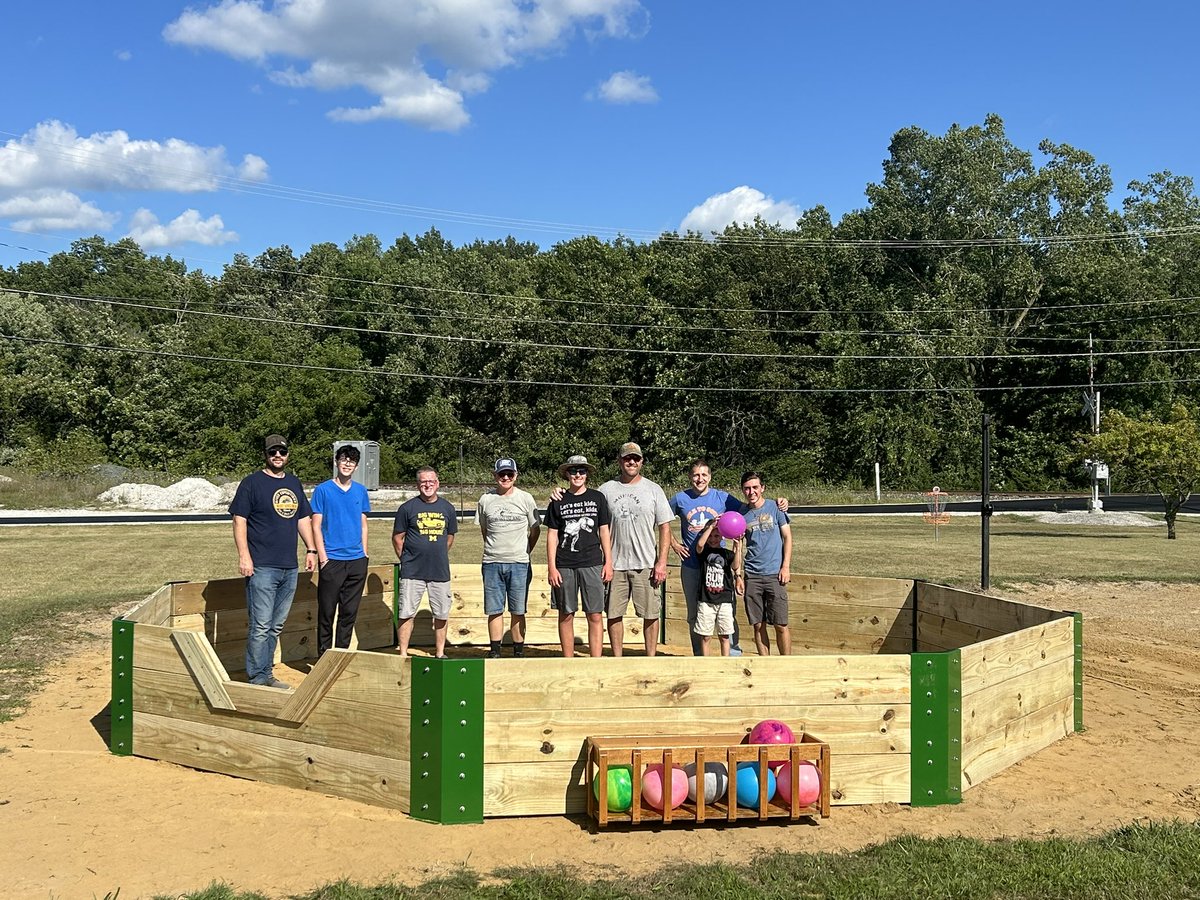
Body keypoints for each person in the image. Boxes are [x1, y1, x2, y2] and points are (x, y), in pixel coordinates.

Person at [669, 459, 787, 656]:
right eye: (696, 475)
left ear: (710, 477)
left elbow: (751, 507)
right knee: (694, 615)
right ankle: (700, 656)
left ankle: (733, 654)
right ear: (690, 477)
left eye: (704, 475)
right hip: (691, 564)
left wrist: (778, 503)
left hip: (719, 565)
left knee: (727, 612)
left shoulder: (722, 498)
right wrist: (674, 544)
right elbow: (661, 518)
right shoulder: (680, 499)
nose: (700, 479)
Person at [229, 434, 317, 689]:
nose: (277, 456)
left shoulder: (293, 483)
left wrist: (310, 549)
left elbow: (302, 518)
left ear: (288, 454)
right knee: (260, 625)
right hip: (262, 567)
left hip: (288, 567)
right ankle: (257, 678)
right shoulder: (252, 483)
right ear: (265, 455)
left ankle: (266, 674)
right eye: (272, 452)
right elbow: (239, 520)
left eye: (282, 452)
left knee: (275, 626)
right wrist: (244, 556)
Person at [598, 441, 673, 657]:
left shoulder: (653, 489)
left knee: (650, 613)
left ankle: (650, 658)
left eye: (636, 458)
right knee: (613, 613)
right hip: (615, 564)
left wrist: (661, 562)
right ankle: (618, 658)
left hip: (646, 564)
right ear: (619, 461)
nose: (631, 462)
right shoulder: (606, 490)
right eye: (627, 458)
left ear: (641, 462)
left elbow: (664, 527)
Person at [544, 454, 613, 657]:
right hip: (564, 564)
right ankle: (568, 660)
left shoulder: (597, 498)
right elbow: (552, 535)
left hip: (592, 562)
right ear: (567, 474)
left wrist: (608, 562)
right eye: (573, 471)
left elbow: (604, 531)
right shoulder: (558, 500)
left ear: (587, 474)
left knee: (595, 614)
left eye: (581, 471)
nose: (578, 475)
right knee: (566, 614)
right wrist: (552, 567)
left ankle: (596, 660)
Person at [311, 445, 371, 657]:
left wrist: (364, 554)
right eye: (344, 459)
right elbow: (316, 525)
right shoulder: (323, 490)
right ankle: (323, 659)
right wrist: (323, 557)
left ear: (356, 466)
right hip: (332, 561)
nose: (347, 464)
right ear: (336, 462)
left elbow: (363, 524)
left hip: (356, 561)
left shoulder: (360, 491)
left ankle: (340, 657)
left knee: (348, 613)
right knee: (326, 613)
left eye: (352, 461)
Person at [392, 466, 458, 658]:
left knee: (441, 614)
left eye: (431, 481)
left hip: (439, 571)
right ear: (418, 485)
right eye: (423, 482)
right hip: (413, 571)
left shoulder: (447, 508)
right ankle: (403, 653)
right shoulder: (407, 508)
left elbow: (450, 537)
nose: (427, 485)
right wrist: (406, 559)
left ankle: (439, 652)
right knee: (406, 612)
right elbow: (398, 538)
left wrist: (437, 553)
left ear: (437, 483)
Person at [477, 457, 540, 658]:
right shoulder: (485, 499)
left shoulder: (526, 498)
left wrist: (525, 550)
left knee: (518, 609)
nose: (505, 477)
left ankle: (518, 651)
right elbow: (484, 530)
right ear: (494, 476)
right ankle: (495, 650)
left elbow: (535, 529)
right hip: (492, 562)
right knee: (494, 609)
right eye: (501, 474)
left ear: (515, 476)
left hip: (519, 563)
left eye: (509, 474)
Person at [739, 470, 793, 656]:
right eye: (747, 488)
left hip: (774, 574)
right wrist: (738, 575)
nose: (751, 492)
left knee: (781, 624)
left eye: (755, 487)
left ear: (762, 488)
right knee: (758, 624)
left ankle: (785, 664)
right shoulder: (742, 514)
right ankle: (765, 663)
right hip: (752, 575)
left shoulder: (775, 507)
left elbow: (787, 537)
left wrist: (785, 566)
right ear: (743, 490)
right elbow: (737, 546)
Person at [692, 519, 743, 656]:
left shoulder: (726, 553)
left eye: (717, 536)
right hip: (706, 600)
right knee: (706, 636)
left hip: (724, 600)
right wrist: (711, 527)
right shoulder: (703, 553)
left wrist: (738, 548)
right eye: (711, 536)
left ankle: (724, 662)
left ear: (722, 537)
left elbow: (735, 566)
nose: (713, 539)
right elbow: (700, 545)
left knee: (724, 635)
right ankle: (706, 663)